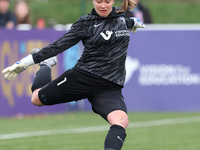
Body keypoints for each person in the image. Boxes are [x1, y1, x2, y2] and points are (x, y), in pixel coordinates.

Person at [2, 0, 145, 149]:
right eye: (98, 1)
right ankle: (46, 64)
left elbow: (122, 22)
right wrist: (26, 62)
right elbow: (58, 46)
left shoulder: (121, 17)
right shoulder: (85, 23)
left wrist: (132, 22)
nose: (103, 5)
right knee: (36, 99)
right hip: (82, 78)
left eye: (107, 1)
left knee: (121, 120)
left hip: (109, 86)